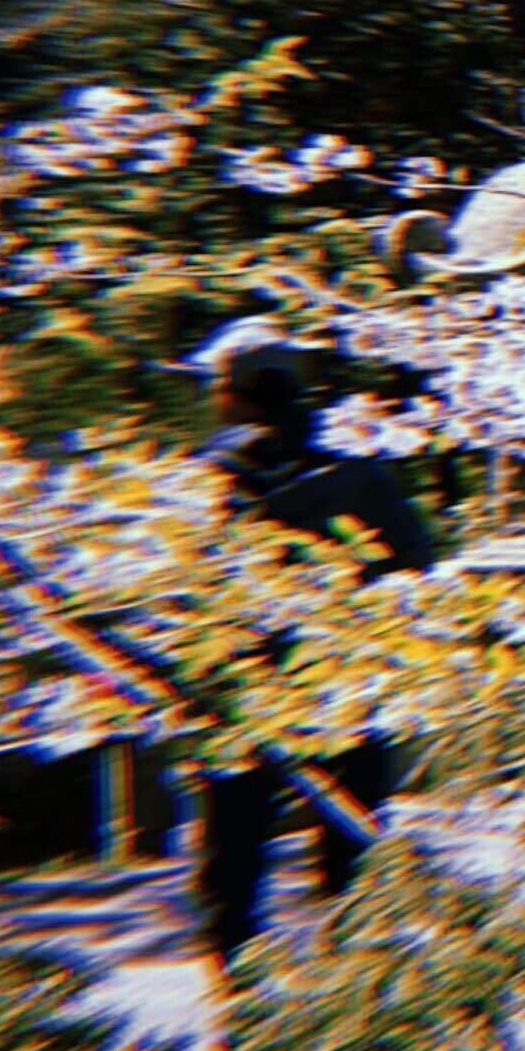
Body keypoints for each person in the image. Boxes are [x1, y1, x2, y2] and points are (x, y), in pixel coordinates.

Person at [189, 342, 437, 956]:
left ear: (234, 396)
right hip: (344, 676)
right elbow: (415, 566)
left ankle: (234, 980)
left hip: (241, 682)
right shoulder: (360, 477)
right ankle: (348, 979)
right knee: (349, 835)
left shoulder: (204, 482)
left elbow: (173, 585)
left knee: (234, 842)